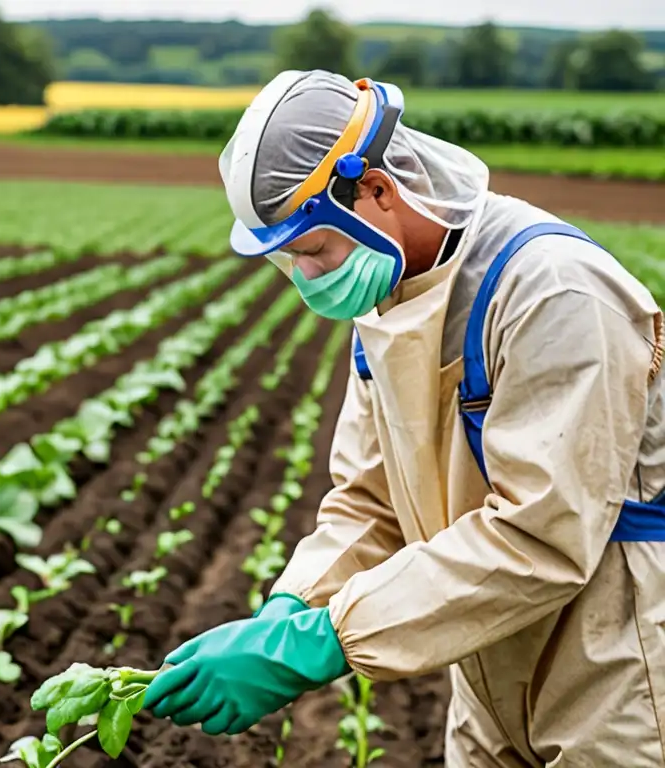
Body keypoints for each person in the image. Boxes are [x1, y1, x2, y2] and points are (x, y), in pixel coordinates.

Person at [144, 70, 665, 766]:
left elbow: (544, 534)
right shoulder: (389, 301)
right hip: (486, 651)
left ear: (377, 193)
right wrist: (295, 606)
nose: (304, 277)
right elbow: (369, 499)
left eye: (308, 250)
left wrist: (326, 640)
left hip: (613, 655)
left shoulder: (552, 289)